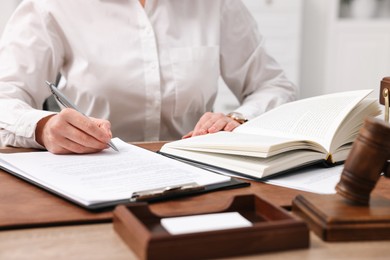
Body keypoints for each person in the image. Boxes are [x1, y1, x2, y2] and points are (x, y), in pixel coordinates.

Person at [0, 0, 297, 154]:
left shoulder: (215, 4)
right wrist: (43, 127)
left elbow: (273, 85)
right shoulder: (52, 5)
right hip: (90, 175)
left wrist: (239, 118)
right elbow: (5, 95)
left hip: (198, 174)